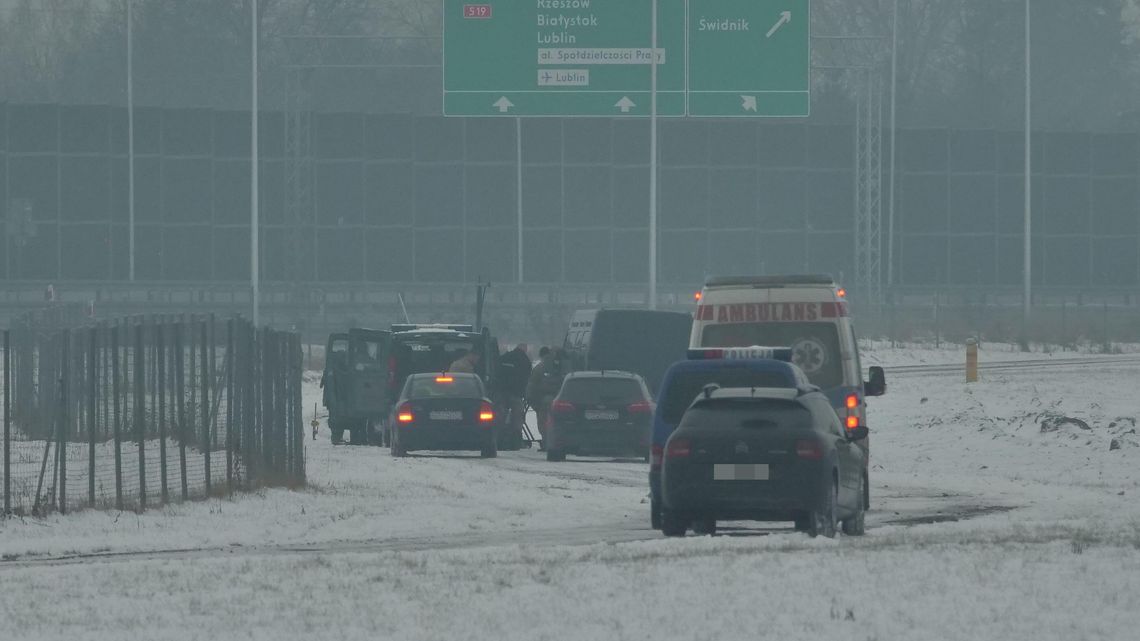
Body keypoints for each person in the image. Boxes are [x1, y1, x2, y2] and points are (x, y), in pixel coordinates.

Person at [526, 346, 566, 449]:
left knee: (543, 422)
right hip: (561, 400)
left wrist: (531, 401)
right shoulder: (562, 366)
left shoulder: (539, 367)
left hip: (543, 401)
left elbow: (532, 385)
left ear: (541, 356)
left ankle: (546, 442)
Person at [499, 343, 533, 443]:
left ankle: (500, 435)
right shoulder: (525, 360)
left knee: (501, 414)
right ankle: (516, 437)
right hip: (517, 393)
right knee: (517, 416)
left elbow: (497, 371)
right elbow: (527, 378)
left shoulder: (505, 357)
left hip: (502, 391)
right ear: (524, 349)